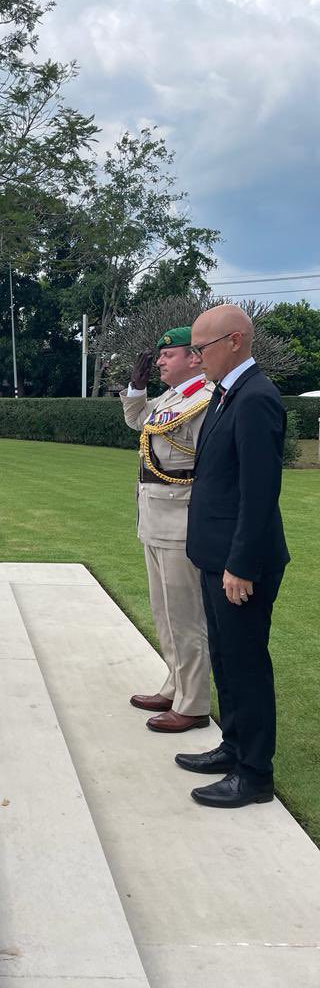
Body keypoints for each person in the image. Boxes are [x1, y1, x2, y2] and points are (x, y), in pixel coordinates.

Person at [177, 303, 290, 808]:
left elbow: (259, 492)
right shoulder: (228, 395)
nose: (197, 357)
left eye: (202, 348)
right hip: (215, 556)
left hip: (239, 564)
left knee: (245, 663)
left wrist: (240, 565)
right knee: (225, 656)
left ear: (236, 341)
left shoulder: (255, 398)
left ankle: (254, 774)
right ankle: (234, 745)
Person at [121, 327, 214, 732]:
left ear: (195, 357)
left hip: (182, 519)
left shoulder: (206, 400)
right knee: (163, 612)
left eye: (168, 355)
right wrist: (135, 388)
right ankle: (174, 685)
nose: (159, 361)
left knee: (185, 616)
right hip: (155, 516)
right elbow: (139, 421)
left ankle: (194, 704)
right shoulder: (172, 399)